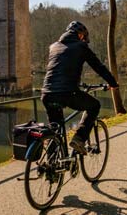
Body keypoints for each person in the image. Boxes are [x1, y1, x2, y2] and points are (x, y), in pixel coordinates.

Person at [41, 21, 119, 155]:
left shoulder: (53, 46)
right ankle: (79, 139)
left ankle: (51, 168)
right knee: (94, 106)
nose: (84, 39)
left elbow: (59, 68)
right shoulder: (81, 46)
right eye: (83, 36)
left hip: (47, 94)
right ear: (80, 35)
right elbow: (98, 67)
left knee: (55, 128)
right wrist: (113, 83)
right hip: (67, 93)